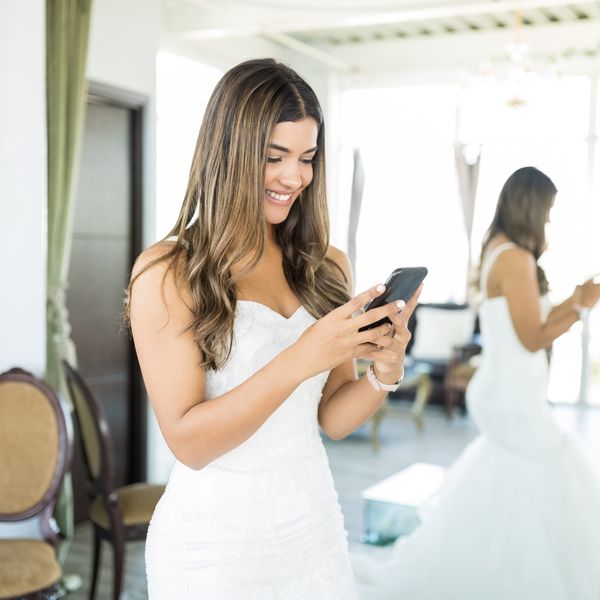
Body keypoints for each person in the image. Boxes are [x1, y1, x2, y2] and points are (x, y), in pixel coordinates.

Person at [126, 58, 421, 599]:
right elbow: (189, 444)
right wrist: (304, 354)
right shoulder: (169, 272)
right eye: (274, 157)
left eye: (307, 159)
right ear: (229, 153)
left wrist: (385, 369)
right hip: (213, 547)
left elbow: (332, 418)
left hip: (313, 528)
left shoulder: (326, 264)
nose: (295, 178)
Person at [353, 166, 600, 600]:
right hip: (512, 396)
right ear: (531, 206)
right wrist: (580, 303)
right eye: (547, 212)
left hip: (507, 391)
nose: (547, 223)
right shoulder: (514, 258)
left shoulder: (501, 251)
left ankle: (494, 569)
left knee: (513, 484)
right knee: (550, 470)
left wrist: (576, 302)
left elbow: (530, 323)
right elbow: (533, 336)